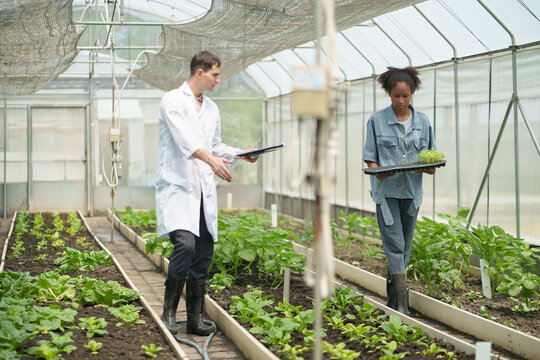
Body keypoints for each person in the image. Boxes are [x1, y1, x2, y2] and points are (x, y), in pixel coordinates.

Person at [156, 51, 257, 335]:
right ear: (200, 73)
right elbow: (186, 142)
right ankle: (167, 314)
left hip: (202, 191)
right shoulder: (173, 101)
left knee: (202, 253)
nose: (218, 80)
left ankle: (194, 320)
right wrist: (212, 161)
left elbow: (214, 145)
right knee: (185, 245)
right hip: (178, 187)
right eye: (215, 74)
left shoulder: (211, 108)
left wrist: (241, 154)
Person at [362, 66, 436, 315]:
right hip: (386, 191)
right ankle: (402, 303)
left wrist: (429, 167)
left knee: (405, 244)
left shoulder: (423, 121)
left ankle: (393, 296)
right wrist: (378, 170)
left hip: (412, 192)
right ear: (389, 94)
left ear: (412, 93)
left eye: (406, 96)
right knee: (394, 242)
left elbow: (431, 157)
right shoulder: (376, 120)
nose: (401, 101)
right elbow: (370, 158)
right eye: (396, 96)